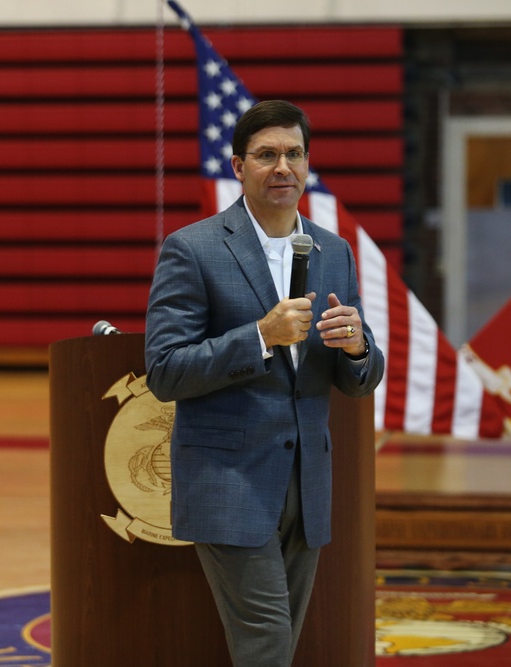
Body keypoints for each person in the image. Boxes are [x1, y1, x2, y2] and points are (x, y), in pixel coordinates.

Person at [144, 100, 385, 666]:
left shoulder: (334, 250)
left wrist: (357, 348)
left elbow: (361, 380)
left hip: (307, 484)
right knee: (266, 642)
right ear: (238, 167)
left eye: (294, 154)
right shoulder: (193, 248)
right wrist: (259, 336)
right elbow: (164, 369)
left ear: (307, 165)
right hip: (229, 480)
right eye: (267, 155)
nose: (283, 167)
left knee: (277, 641)